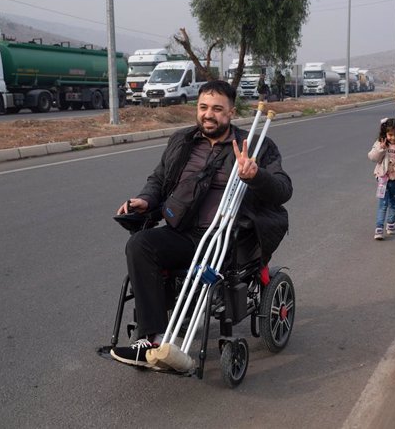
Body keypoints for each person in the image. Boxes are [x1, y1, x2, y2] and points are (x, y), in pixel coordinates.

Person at [110, 80, 292, 367]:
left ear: (231, 112)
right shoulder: (182, 141)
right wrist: (145, 200)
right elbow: (158, 180)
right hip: (183, 233)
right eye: (203, 107)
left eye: (217, 109)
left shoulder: (257, 146)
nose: (209, 114)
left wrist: (255, 176)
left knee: (205, 266)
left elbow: (283, 189)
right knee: (140, 244)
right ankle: (150, 340)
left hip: (227, 240)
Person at [367, 117, 395, 240]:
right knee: (383, 204)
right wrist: (381, 148)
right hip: (383, 180)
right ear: (385, 133)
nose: (393, 137)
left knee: (394, 203)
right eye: (390, 134)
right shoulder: (381, 144)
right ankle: (379, 228)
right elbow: (372, 157)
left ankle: (390, 224)